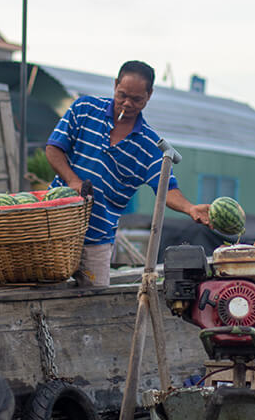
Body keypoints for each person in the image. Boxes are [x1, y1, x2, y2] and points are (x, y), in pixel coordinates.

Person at [45, 60, 210, 287]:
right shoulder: (84, 109)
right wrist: (73, 180)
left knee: (95, 303)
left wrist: (190, 208)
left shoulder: (150, 146)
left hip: (97, 239)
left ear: (149, 95)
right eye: (122, 95)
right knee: (44, 292)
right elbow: (54, 148)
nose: (126, 103)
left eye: (136, 99)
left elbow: (167, 190)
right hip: (56, 227)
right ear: (115, 85)